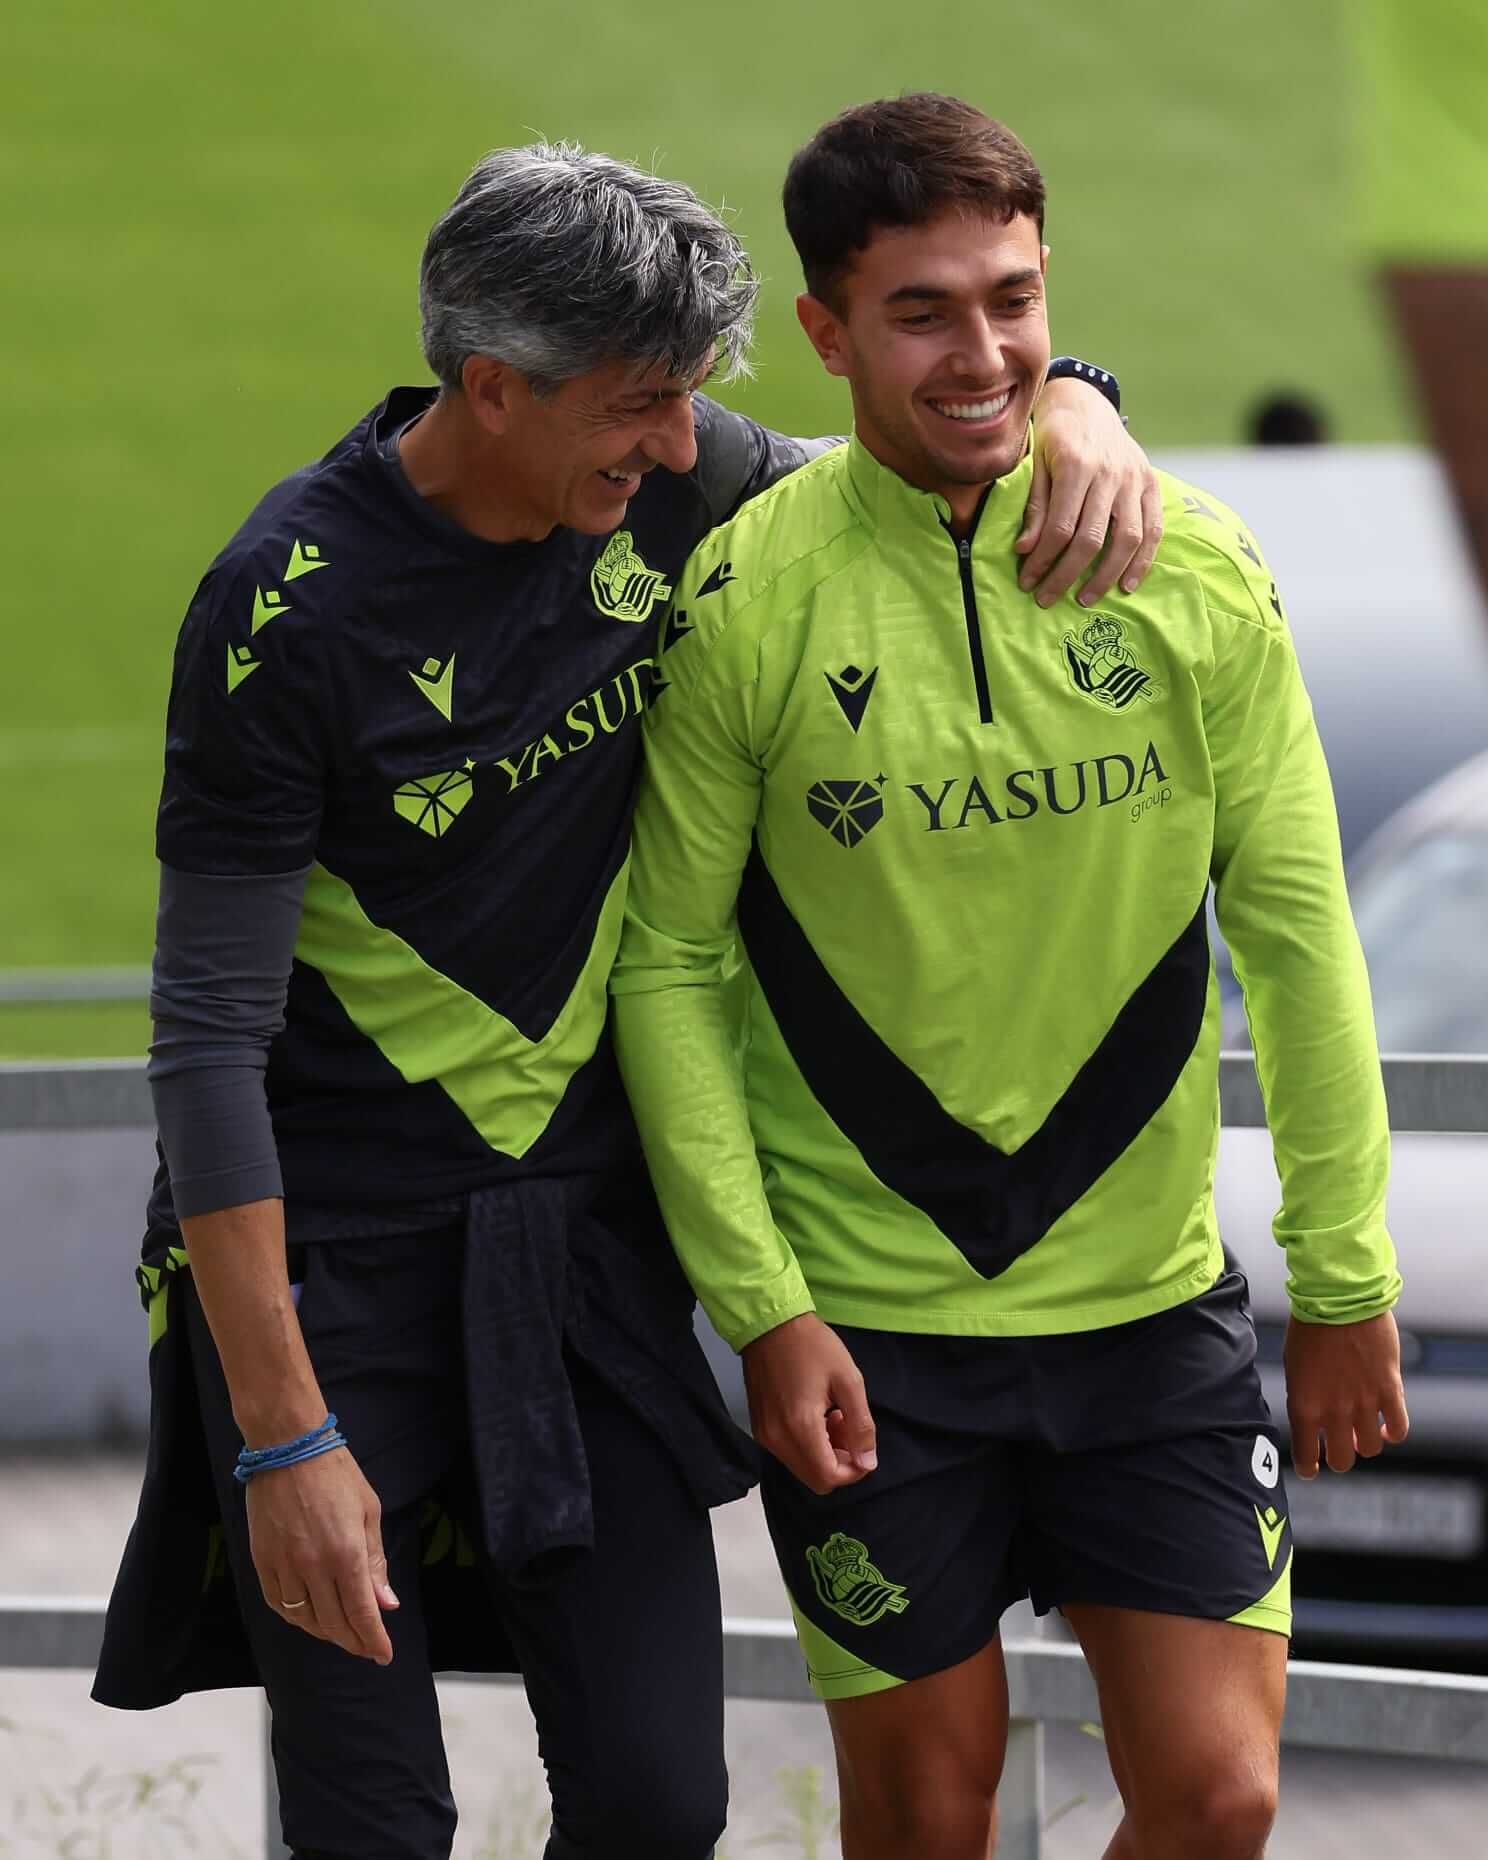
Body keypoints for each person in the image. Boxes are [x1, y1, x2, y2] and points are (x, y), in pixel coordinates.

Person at [89, 138, 1159, 1860]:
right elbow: (205, 1042)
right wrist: (284, 1437)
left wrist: (1082, 405)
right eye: (639, 408)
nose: (681, 448)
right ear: (491, 387)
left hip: (587, 1251)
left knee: (661, 1807)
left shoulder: (677, 475)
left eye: (688, 407)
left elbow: (908, 461)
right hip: (331, 1263)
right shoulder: (280, 609)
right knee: (371, 1826)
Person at [610, 95, 1410, 1860]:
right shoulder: (746, 598)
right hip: (874, 1342)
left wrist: (1346, 1274)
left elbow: (1297, 926)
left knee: (1217, 1800)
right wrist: (764, 1306)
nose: (983, 353)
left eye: (1015, 302)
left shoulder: (1187, 563)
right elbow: (665, 969)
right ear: (825, 333)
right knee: (925, 1827)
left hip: (1151, 1322)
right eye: (922, 312)